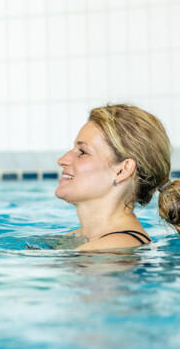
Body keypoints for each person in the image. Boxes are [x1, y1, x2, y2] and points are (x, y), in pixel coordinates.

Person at [56, 103, 180, 249]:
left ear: (123, 170)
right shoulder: (79, 241)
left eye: (82, 152)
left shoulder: (108, 252)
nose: (62, 160)